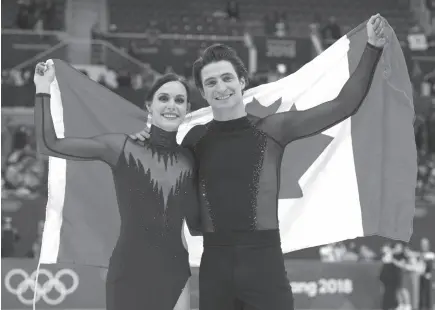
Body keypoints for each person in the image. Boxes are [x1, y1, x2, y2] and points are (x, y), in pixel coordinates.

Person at [133, 14, 387, 310]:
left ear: (242, 82)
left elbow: (343, 105)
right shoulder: (195, 140)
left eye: (227, 78)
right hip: (215, 268)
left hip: (264, 266)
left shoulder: (272, 129)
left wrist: (372, 48)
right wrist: (142, 142)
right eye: (211, 82)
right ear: (203, 93)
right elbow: (184, 206)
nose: (221, 87)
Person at [33, 65, 200, 310]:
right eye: (163, 98)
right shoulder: (122, 146)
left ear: (188, 109)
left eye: (179, 100)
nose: (171, 105)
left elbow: (193, 224)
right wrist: (42, 87)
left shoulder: (191, 158)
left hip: (176, 272)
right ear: (148, 106)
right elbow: (49, 144)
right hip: (130, 270)